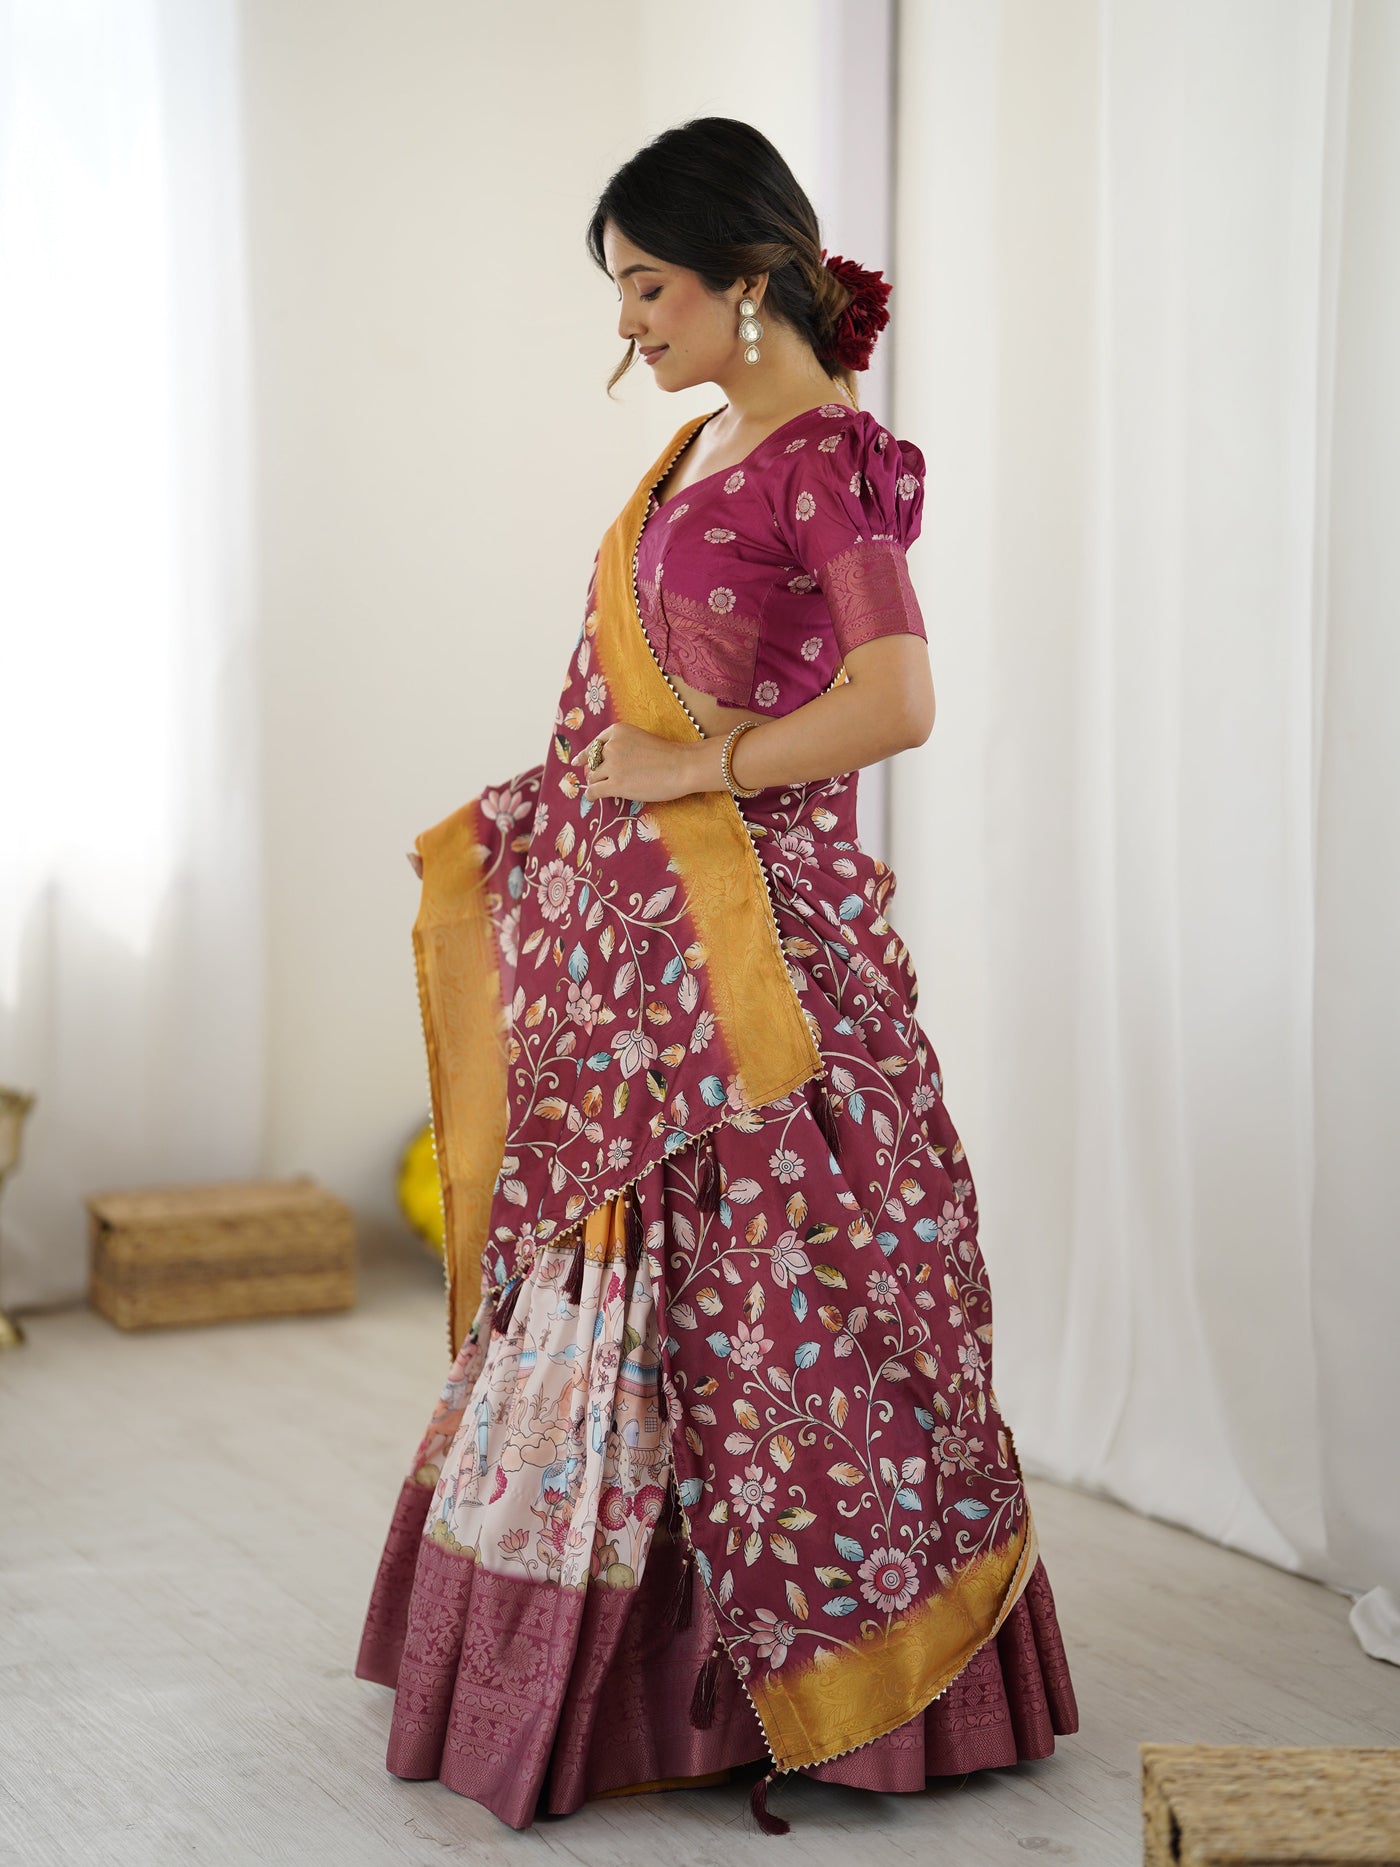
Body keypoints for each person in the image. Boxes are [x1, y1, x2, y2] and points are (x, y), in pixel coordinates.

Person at [355, 116, 1079, 1835]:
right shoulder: (700, 452)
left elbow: (896, 701)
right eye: (621, 292)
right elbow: (632, 708)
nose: (631, 327)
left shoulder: (825, 455)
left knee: (789, 1301)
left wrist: (709, 767)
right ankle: (635, 1689)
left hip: (765, 960)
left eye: (650, 287)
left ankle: (815, 1681)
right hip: (650, 959)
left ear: (749, 280)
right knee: (651, 1283)